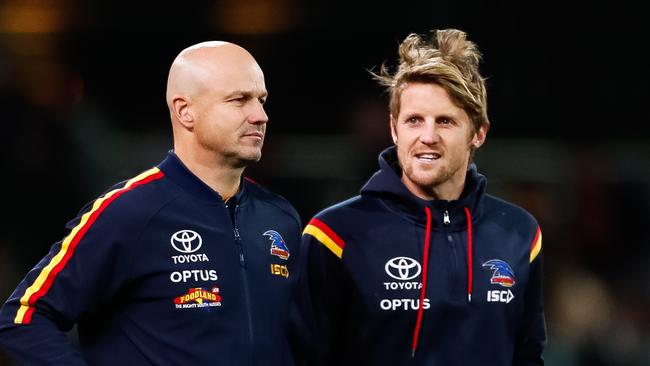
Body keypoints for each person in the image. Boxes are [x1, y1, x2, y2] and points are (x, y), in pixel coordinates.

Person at [0, 41, 302, 365]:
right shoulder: (127, 212)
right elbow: (24, 317)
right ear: (185, 110)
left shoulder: (280, 217)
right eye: (239, 100)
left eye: (261, 100)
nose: (260, 115)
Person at [296, 29, 546, 365]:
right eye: (414, 120)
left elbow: (528, 356)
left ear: (478, 133)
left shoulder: (520, 233)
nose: (428, 137)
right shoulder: (334, 235)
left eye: (445, 121)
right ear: (394, 129)